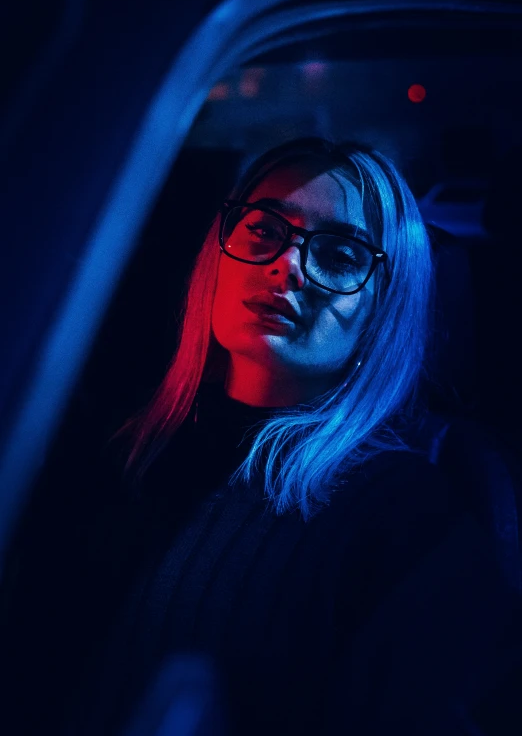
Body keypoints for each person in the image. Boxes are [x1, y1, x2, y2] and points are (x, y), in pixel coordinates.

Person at [63, 137, 519, 736]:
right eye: (264, 229)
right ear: (218, 253)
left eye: (339, 253)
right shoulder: (109, 451)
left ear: (389, 305)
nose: (289, 265)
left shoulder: (410, 519)